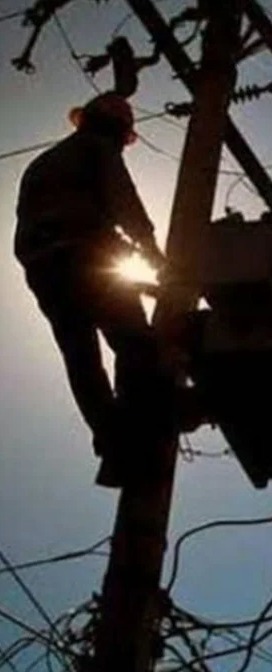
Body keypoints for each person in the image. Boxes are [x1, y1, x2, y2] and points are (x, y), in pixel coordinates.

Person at [14, 92, 167, 487]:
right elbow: (123, 201)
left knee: (81, 358)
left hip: (44, 269)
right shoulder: (98, 149)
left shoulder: (43, 164)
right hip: (85, 257)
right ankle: (136, 434)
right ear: (117, 130)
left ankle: (113, 440)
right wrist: (152, 252)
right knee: (136, 344)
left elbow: (49, 218)